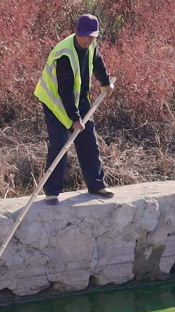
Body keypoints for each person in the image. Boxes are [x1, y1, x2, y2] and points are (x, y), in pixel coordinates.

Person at [34, 13, 115, 205]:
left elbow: (97, 62)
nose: (86, 40)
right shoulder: (65, 53)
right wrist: (75, 119)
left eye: (91, 36)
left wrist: (105, 82)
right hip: (55, 100)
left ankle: (97, 185)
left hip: (79, 98)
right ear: (77, 32)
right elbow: (65, 89)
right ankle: (52, 192)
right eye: (83, 36)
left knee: (88, 140)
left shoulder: (91, 44)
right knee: (61, 142)